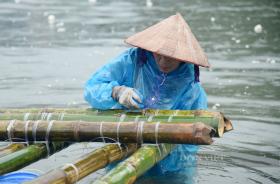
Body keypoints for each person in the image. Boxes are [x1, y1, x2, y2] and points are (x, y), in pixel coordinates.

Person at [84, 13, 210, 182]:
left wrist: (162, 154)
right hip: (125, 145)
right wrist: (116, 91)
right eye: (159, 53)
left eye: (171, 57)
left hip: (170, 160)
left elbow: (191, 140)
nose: (163, 61)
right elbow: (92, 87)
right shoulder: (132, 60)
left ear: (183, 57)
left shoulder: (191, 84)